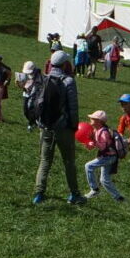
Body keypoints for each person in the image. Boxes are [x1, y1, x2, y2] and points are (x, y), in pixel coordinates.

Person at [32, 49, 87, 205]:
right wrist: (74, 126)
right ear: (64, 64)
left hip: (45, 127)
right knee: (69, 162)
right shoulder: (68, 81)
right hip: (63, 128)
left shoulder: (44, 79)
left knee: (44, 161)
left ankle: (38, 193)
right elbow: (73, 107)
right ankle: (74, 194)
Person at [78, 109, 126, 201]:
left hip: (109, 157)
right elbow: (95, 146)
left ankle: (94, 189)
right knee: (104, 180)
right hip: (108, 157)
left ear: (99, 121)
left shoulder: (103, 132)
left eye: (92, 118)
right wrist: (89, 144)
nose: (90, 120)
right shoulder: (97, 130)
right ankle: (119, 198)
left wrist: (94, 141)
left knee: (88, 166)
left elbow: (103, 147)